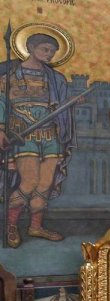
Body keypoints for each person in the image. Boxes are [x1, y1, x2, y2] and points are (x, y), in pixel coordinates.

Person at [1, 33, 74, 247]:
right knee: (29, 181)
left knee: (45, 184)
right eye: (45, 49)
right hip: (24, 133)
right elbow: (2, 102)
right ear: (31, 48)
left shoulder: (55, 78)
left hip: (50, 134)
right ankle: (11, 225)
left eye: (52, 51)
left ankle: (35, 226)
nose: (49, 54)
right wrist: (1, 128)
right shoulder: (11, 75)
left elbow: (60, 104)